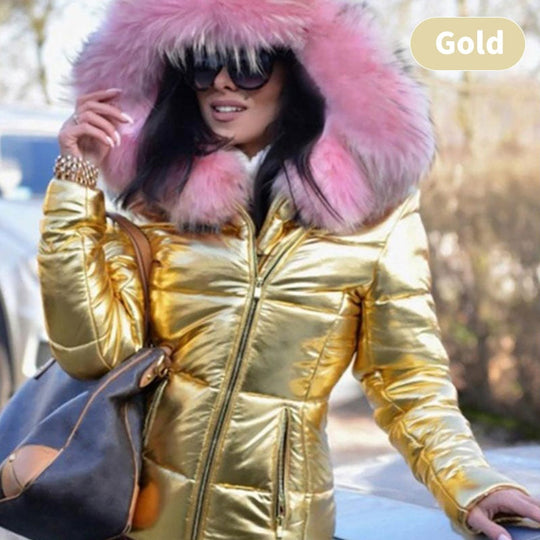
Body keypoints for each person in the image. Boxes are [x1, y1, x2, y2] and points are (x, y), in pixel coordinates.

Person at [38, 0, 540, 539]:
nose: (222, 82)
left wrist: (471, 483)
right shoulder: (158, 201)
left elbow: (408, 378)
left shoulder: (373, 215)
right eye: (204, 64)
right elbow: (93, 354)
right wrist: (75, 180)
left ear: (300, 69)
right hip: (147, 522)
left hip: (282, 527)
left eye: (249, 64)